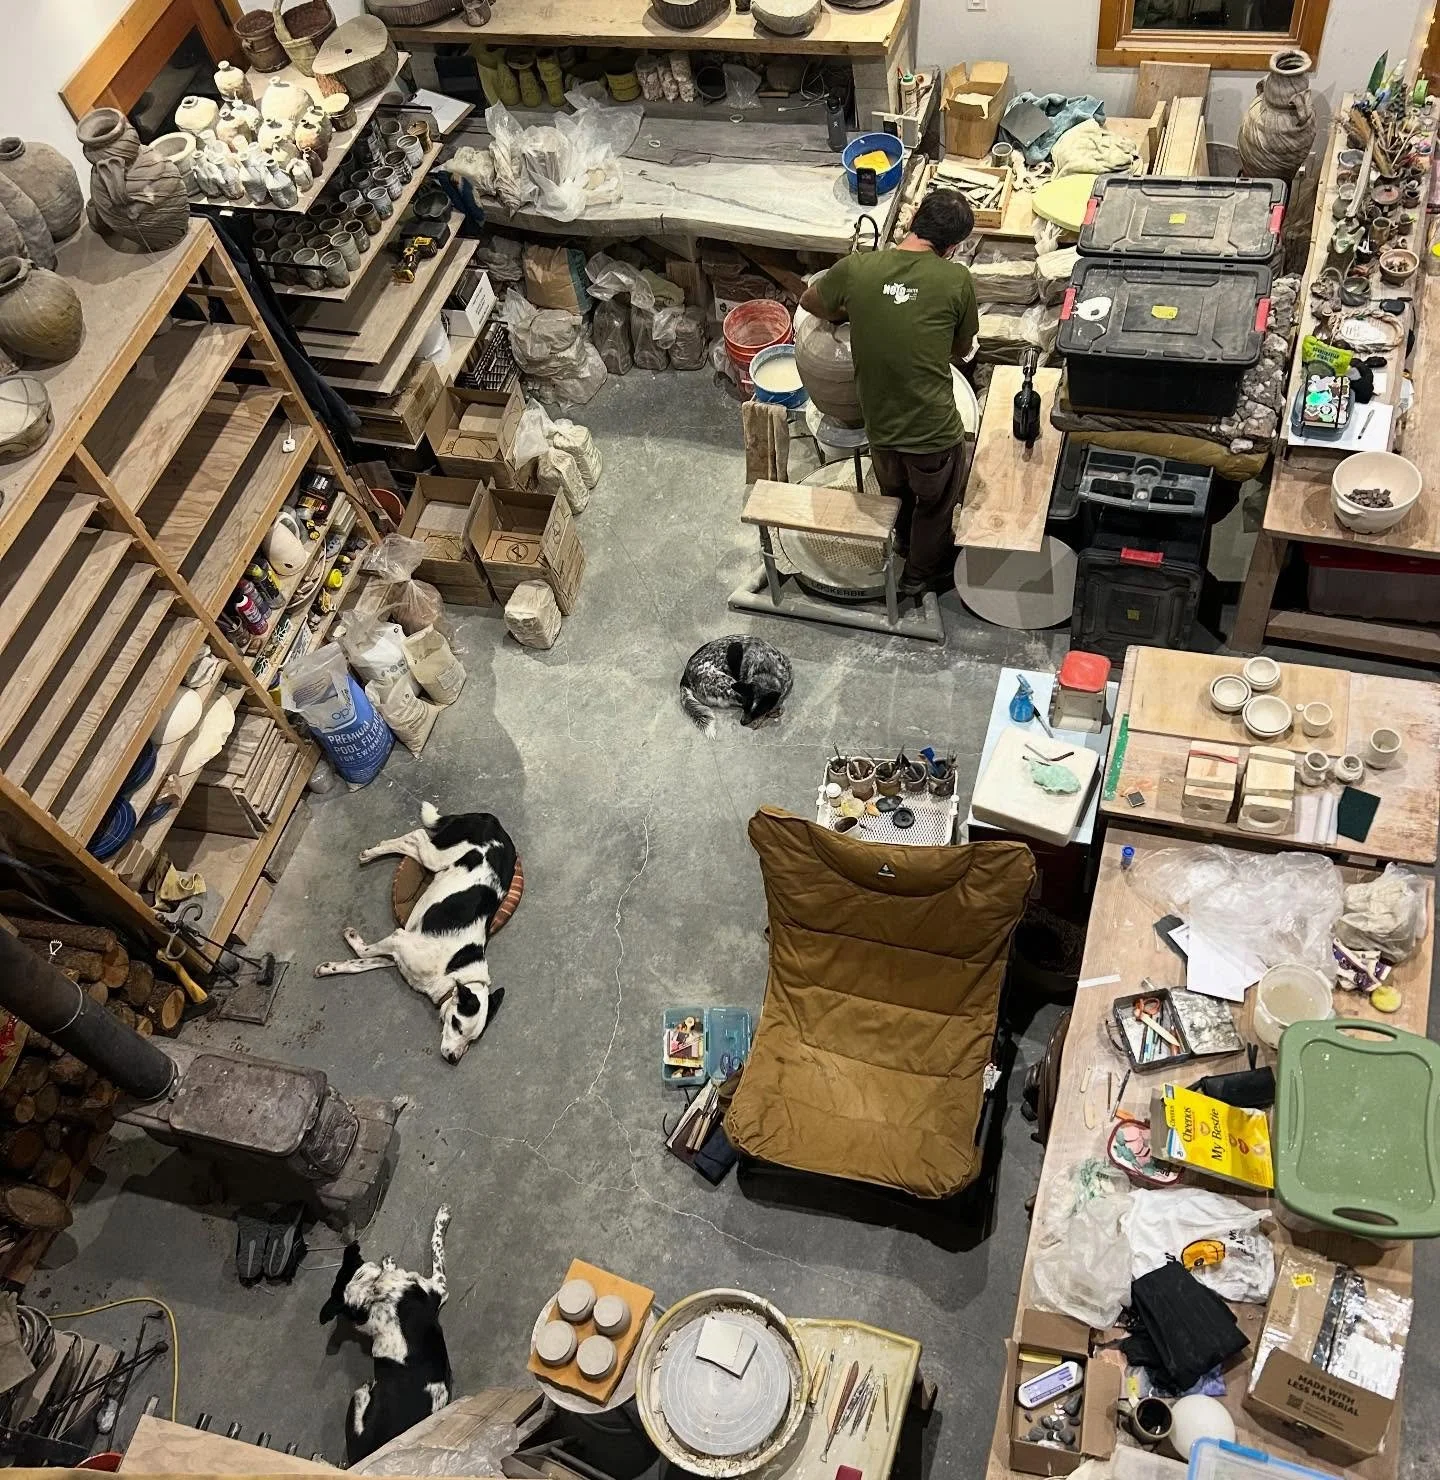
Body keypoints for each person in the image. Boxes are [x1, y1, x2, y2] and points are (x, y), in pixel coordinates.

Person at [798, 192, 979, 594]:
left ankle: (902, 542)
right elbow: (963, 349)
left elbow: (811, 300)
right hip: (931, 433)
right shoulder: (955, 279)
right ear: (952, 247)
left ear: (913, 217)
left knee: (895, 491)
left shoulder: (857, 269)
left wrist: (860, 309)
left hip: (879, 427)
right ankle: (918, 577)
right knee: (935, 504)